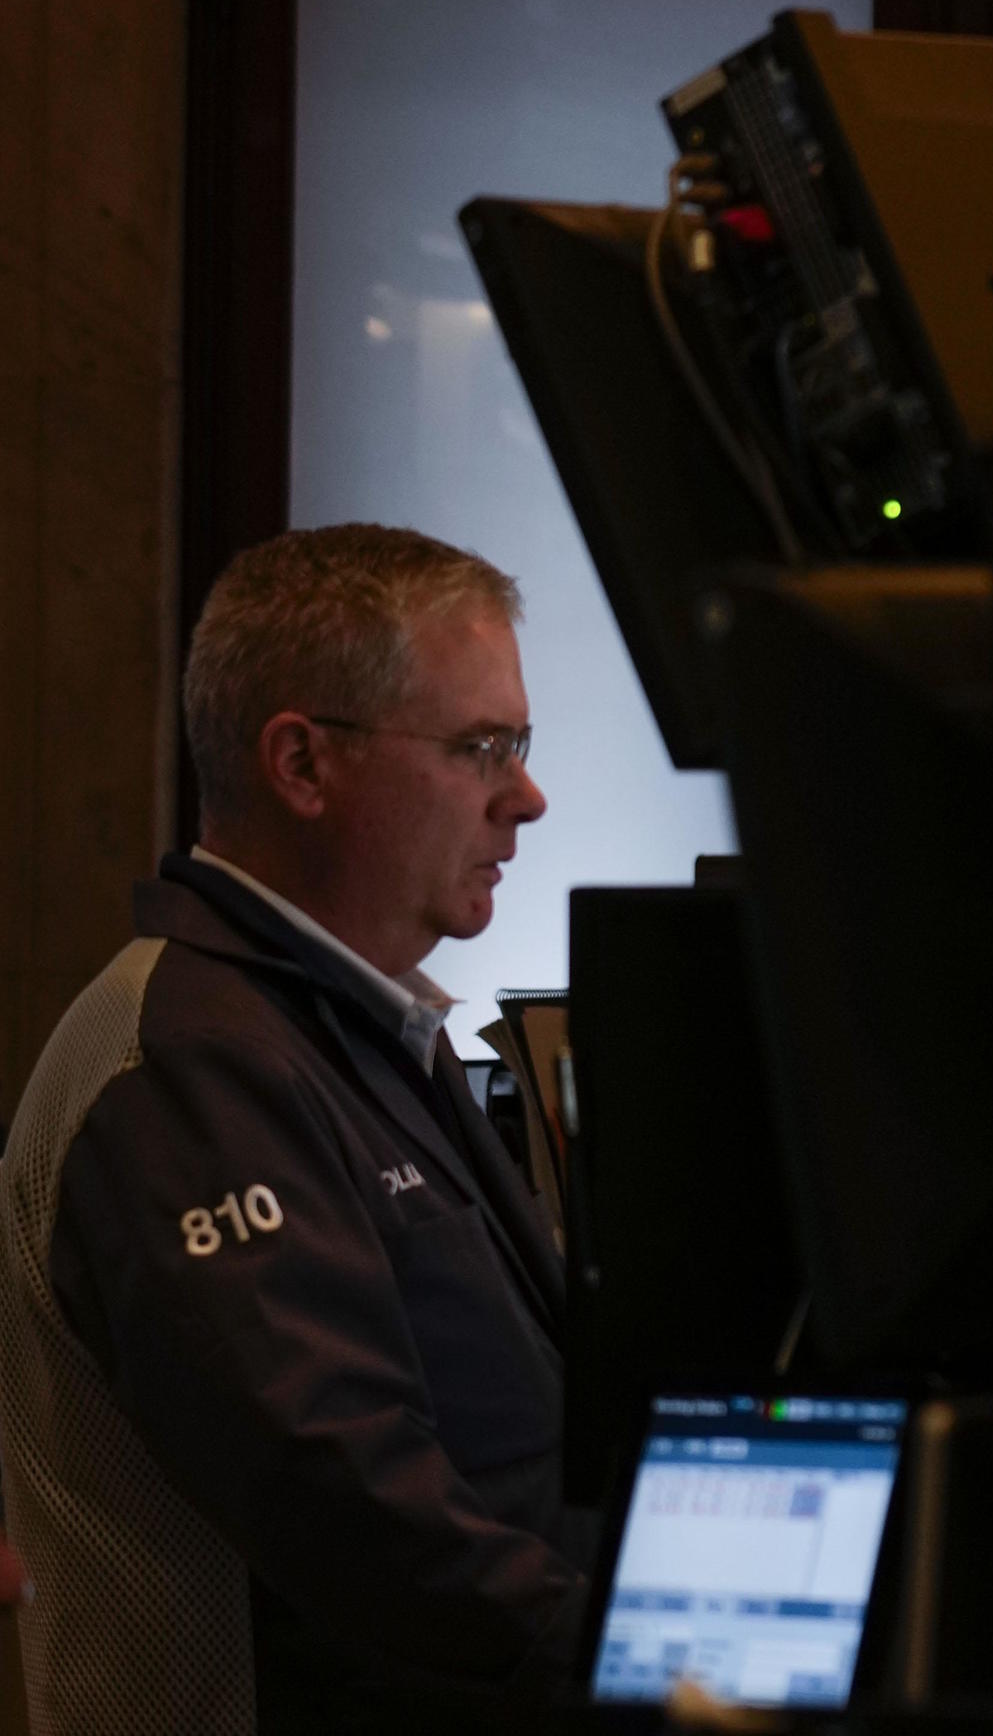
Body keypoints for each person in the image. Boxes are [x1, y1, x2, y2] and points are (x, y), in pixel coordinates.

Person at [0, 524, 577, 1735]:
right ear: (303, 764)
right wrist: (653, 1669)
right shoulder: (186, 1061)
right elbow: (345, 1501)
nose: (524, 795)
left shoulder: (345, 1024)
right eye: (482, 747)